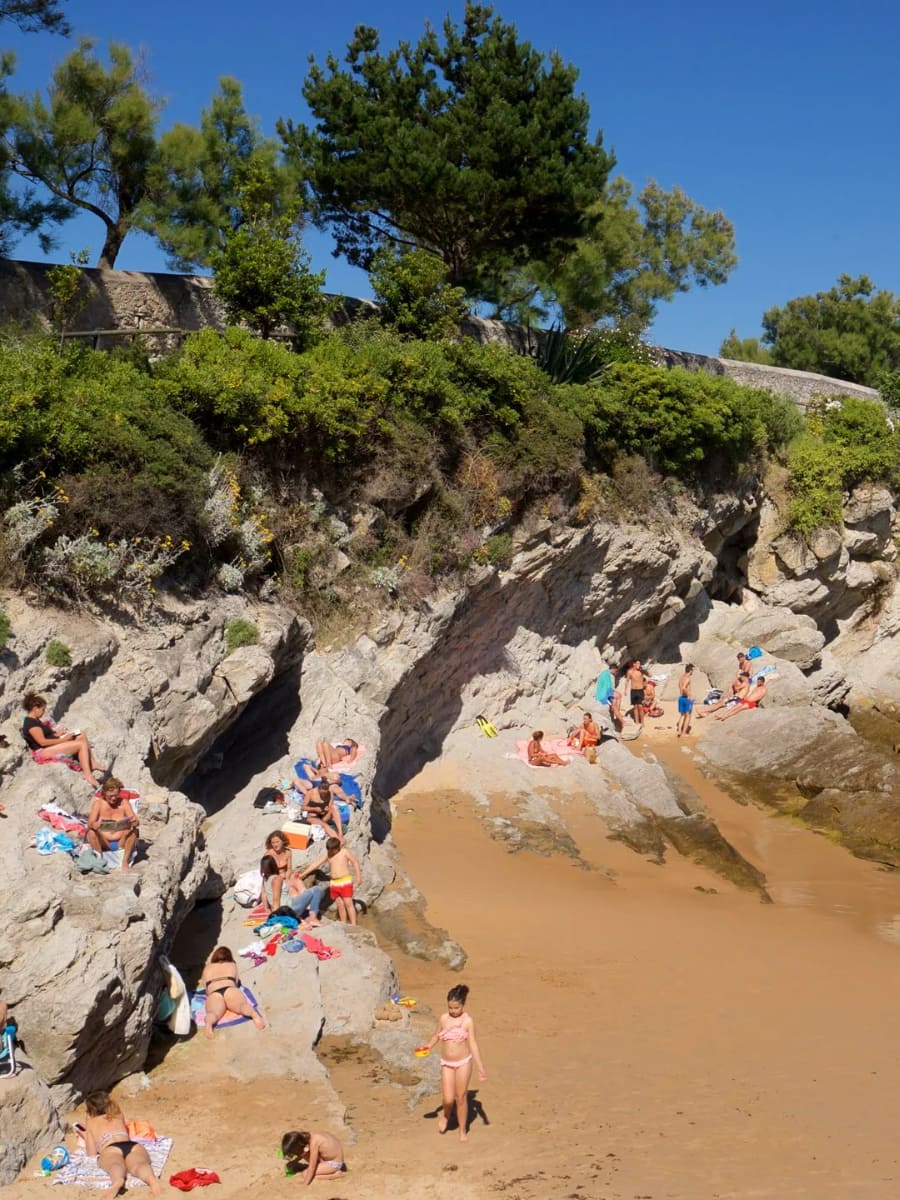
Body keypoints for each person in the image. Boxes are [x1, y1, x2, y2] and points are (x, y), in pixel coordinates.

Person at [424, 984, 487, 1142]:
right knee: (447, 1098)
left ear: (463, 1005)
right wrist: (427, 1046)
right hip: (446, 1063)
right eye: (450, 1007)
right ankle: (446, 1116)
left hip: (463, 1063)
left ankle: (462, 1129)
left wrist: (480, 1067)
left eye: (456, 1008)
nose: (453, 1011)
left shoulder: (468, 1021)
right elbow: (436, 1036)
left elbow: (473, 1044)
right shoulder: (444, 1019)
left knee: (460, 1097)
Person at [83, 1091, 162, 1197]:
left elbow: (91, 1153)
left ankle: (118, 1181)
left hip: (110, 1148)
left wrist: (86, 1133)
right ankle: (151, 1179)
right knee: (139, 1164)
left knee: (115, 1165)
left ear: (90, 1110)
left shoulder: (91, 1122)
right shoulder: (119, 1115)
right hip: (132, 1145)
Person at [21, 692, 106, 788]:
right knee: (80, 744)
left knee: (80, 734)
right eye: (42, 709)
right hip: (42, 752)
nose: (43, 712)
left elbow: (47, 736)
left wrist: (58, 735)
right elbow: (42, 742)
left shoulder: (36, 720)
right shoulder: (31, 724)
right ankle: (87, 774)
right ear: (35, 708)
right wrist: (63, 739)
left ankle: (92, 763)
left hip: (50, 745)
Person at [200, 946, 265, 1039]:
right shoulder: (232, 964)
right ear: (229, 956)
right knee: (242, 1006)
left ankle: (209, 1024)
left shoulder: (207, 968)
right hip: (230, 990)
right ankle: (255, 1015)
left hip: (214, 993)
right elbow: (236, 982)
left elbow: (206, 988)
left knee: (213, 1013)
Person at [305, 837, 362, 926]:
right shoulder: (328, 854)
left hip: (345, 881)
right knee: (340, 905)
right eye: (329, 850)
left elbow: (355, 862)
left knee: (348, 903)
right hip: (334, 883)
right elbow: (316, 864)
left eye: (332, 850)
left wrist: (358, 877)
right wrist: (303, 874)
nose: (330, 852)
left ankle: (354, 924)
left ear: (337, 848)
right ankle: (343, 924)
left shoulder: (344, 852)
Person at [87, 778, 139, 871]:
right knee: (91, 832)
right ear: (104, 793)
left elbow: (136, 822)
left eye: (116, 795)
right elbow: (90, 823)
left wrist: (133, 822)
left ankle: (125, 862)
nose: (114, 798)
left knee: (134, 831)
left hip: (121, 841)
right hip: (104, 842)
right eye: (110, 796)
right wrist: (95, 825)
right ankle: (100, 861)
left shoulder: (124, 803)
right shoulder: (98, 804)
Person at [281, 1129, 346, 1185]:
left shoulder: (314, 1142)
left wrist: (305, 1183)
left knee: (305, 1174)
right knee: (306, 1152)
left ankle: (335, 1175)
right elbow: (304, 1152)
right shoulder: (306, 1136)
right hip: (329, 1157)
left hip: (334, 1163)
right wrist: (294, 1161)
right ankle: (324, 1168)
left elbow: (312, 1166)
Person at [260, 830, 292, 912]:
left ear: (283, 841)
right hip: (274, 880)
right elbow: (266, 872)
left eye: (277, 842)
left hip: (285, 878)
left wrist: (287, 879)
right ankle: (268, 908)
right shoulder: (269, 854)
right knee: (265, 889)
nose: (275, 844)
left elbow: (289, 868)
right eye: (273, 843)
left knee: (297, 881)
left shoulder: (288, 852)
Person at [677, 664, 694, 737]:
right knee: (688, 716)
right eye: (692, 670)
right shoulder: (688, 678)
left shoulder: (681, 677)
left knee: (682, 715)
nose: (692, 672)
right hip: (686, 699)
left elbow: (680, 686)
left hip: (681, 698)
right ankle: (684, 733)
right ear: (690, 670)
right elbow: (684, 688)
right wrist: (689, 696)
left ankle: (679, 731)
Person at [626, 661, 645, 727]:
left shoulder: (641, 671)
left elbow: (650, 675)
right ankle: (636, 721)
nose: (639, 665)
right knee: (635, 707)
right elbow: (627, 680)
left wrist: (645, 669)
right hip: (633, 690)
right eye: (637, 663)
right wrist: (625, 690)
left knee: (640, 706)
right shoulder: (630, 671)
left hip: (640, 690)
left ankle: (642, 722)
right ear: (634, 664)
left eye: (639, 663)